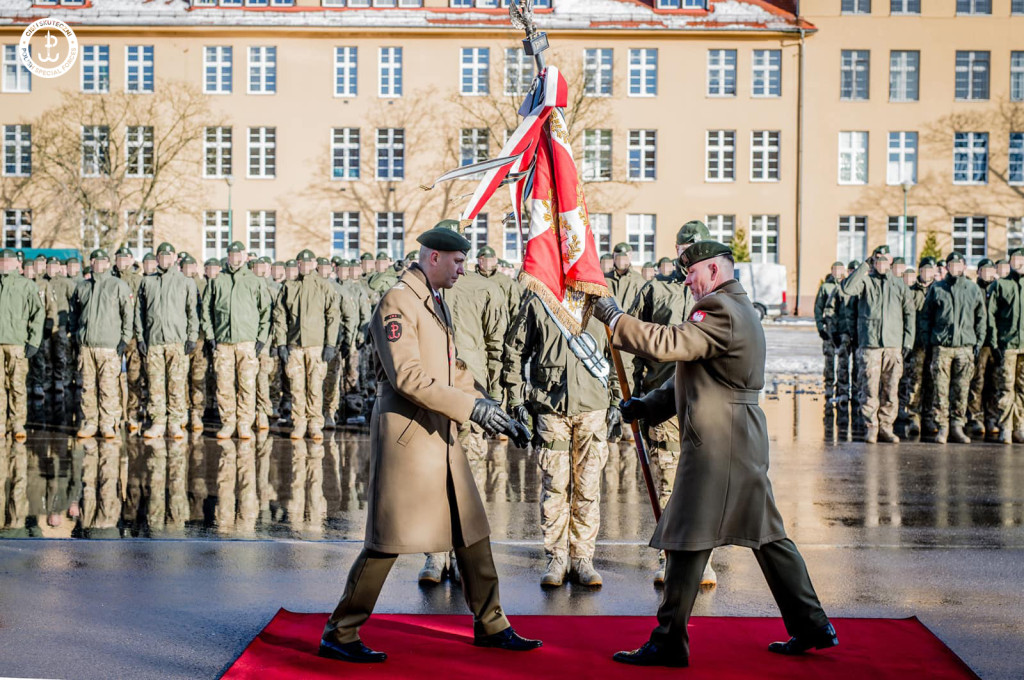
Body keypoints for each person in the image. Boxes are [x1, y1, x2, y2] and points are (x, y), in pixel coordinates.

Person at [592, 240, 836, 668]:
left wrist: (615, 317)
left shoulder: (720, 309)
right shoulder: (731, 308)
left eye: (692, 272)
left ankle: (669, 640)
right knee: (766, 536)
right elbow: (698, 375)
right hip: (736, 438)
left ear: (713, 270)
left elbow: (669, 344)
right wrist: (650, 405)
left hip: (719, 443)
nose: (686, 280)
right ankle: (812, 624)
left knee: (686, 536)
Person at [318, 222, 536, 664]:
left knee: (472, 531)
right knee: (387, 541)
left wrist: (488, 407)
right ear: (432, 257)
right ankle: (340, 632)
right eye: (457, 261)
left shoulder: (435, 300)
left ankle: (492, 623)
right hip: (410, 441)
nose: (463, 268)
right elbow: (409, 377)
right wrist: (471, 409)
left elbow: (452, 372)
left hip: (442, 434)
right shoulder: (398, 302)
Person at [503, 291, 618, 588]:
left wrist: (618, 401)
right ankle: (556, 556)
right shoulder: (538, 300)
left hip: (592, 407)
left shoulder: (601, 300)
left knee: (588, 487)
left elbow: (618, 353)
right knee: (555, 485)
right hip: (551, 407)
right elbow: (515, 350)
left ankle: (582, 558)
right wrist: (516, 399)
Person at [628, 220, 718, 587]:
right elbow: (634, 344)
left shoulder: (716, 293)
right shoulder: (654, 290)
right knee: (668, 481)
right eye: (685, 249)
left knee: (702, 483)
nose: (689, 256)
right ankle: (669, 557)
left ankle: (703, 560)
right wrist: (636, 395)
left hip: (704, 402)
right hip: (661, 400)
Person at [419, 237, 508, 585]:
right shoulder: (422, 293)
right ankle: (434, 554)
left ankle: (461, 556)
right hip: (434, 395)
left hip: (472, 397)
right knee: (432, 479)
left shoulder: (481, 290)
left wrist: (495, 394)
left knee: (468, 483)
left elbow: (496, 342)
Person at [840, 245, 915, 443]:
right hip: (870, 344)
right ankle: (871, 427)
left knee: (891, 389)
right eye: (878, 260)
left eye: (884, 261)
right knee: (869, 388)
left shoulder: (899, 285)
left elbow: (909, 313)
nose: (881, 265)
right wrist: (866, 264)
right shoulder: (866, 281)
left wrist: (908, 341)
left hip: (893, 344)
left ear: (890, 262)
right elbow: (847, 287)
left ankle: (886, 426)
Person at [203, 242, 272, 440]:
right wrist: (211, 335)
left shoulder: (254, 281)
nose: (235, 257)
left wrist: (261, 337)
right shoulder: (218, 280)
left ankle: (244, 424)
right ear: (227, 256)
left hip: (246, 342)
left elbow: (266, 310)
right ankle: (228, 423)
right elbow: (207, 310)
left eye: (238, 254)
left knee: (247, 385)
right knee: (224, 385)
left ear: (244, 255)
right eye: (231, 254)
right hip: (223, 342)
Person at [919, 252, 986, 444]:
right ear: (947, 267)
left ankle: (957, 425)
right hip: (943, 346)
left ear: (964, 267)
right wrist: (928, 341)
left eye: (959, 264)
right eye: (952, 264)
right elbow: (926, 317)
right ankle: (943, 427)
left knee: (962, 389)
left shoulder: (972, 289)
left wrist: (978, 342)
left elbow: (981, 318)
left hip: (965, 347)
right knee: (940, 390)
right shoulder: (937, 289)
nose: (955, 268)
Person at [273, 250, 340, 441]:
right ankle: (299, 422)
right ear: (298, 264)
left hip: (316, 346)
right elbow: (280, 316)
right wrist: (281, 343)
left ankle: (314, 423)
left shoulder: (323, 286)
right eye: (301, 262)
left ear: (314, 265)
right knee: (296, 386)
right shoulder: (289, 286)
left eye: (308, 262)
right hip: (295, 345)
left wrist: (330, 343)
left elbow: (332, 315)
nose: (305, 266)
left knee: (315, 386)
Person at [135, 243, 199, 440]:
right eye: (161, 256)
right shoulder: (147, 282)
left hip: (177, 342)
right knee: (155, 384)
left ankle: (175, 422)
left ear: (174, 257)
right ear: (156, 258)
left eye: (168, 255)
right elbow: (139, 312)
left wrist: (192, 337)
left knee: (176, 385)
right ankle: (158, 422)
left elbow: (192, 313)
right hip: (154, 341)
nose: (164, 259)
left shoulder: (185, 282)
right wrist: (140, 338)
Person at [70, 249, 134, 439]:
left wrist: (125, 338)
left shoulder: (118, 286)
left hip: (109, 345)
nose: (99, 264)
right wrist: (76, 335)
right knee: (88, 387)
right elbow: (74, 313)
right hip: (87, 346)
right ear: (91, 263)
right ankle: (91, 422)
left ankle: (108, 424)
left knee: (108, 387)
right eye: (95, 261)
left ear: (108, 263)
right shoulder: (82, 286)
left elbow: (127, 315)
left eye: (102, 261)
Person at [0, 249, 44, 440]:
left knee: (17, 385)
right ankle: (1, 423)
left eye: (7, 262)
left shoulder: (27, 285)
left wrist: (34, 341)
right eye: (1, 261)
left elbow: (38, 314)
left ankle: (18, 422)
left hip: (18, 342)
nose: (4, 265)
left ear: (16, 264)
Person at [986, 248, 1024, 444]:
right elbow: (990, 315)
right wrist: (994, 342)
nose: (1020, 263)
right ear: (1010, 262)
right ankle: (1006, 428)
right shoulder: (1001, 285)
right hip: (1007, 344)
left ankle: (1020, 426)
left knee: (1023, 388)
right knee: (1006, 387)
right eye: (1016, 259)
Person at [898, 258, 936, 438]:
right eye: (924, 270)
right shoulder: (911, 291)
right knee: (915, 381)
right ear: (919, 272)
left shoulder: (939, 289)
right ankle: (914, 416)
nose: (927, 274)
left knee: (932, 382)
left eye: (930, 270)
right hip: (917, 343)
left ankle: (928, 417)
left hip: (935, 343)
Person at [113, 246, 144, 432]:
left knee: (134, 377)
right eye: (120, 258)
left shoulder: (139, 281)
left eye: (126, 258)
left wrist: (141, 336)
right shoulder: (110, 280)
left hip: (132, 335)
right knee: (112, 377)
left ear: (132, 260)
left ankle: (133, 412)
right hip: (114, 335)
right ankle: (115, 413)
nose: (123, 262)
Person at [967, 258, 999, 439]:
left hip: (995, 343)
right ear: (978, 272)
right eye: (984, 270)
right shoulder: (973, 290)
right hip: (979, 342)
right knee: (977, 382)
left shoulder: (998, 288)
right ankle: (976, 417)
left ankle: (992, 417)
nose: (987, 273)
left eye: (990, 270)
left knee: (994, 382)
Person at [814, 262, 846, 402]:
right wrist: (820, 327)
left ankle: (843, 389)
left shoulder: (847, 286)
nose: (838, 272)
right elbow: (818, 308)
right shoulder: (825, 287)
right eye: (835, 269)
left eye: (840, 269)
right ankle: (828, 388)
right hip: (829, 330)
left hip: (843, 330)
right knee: (829, 360)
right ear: (832, 270)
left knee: (843, 362)